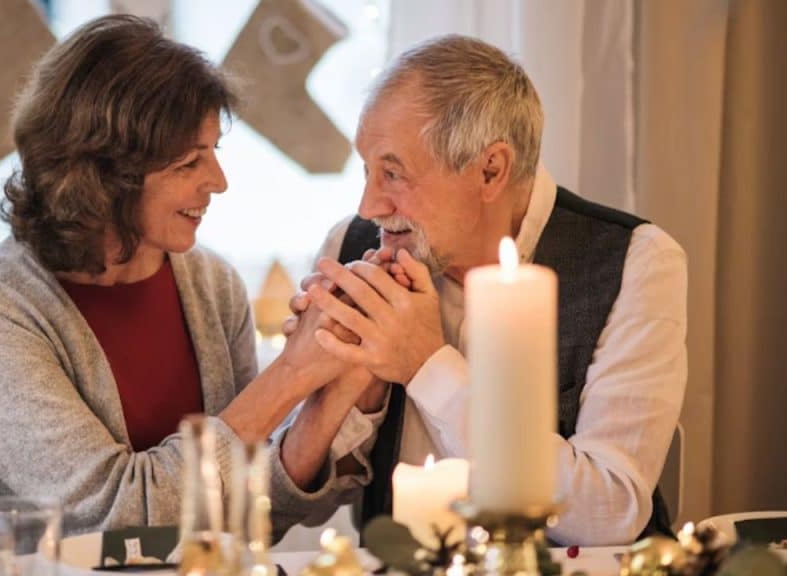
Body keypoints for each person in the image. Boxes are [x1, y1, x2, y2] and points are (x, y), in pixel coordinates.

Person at [0, 15, 376, 537]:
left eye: (215, 151)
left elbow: (251, 509)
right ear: (103, 175)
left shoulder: (212, 285)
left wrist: (343, 374)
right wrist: (291, 375)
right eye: (189, 163)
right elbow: (114, 517)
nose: (218, 181)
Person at [288, 35, 687, 545]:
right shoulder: (354, 245)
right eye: (367, 170)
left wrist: (426, 365)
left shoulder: (637, 262)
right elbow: (310, 510)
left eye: (393, 172)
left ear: (490, 169)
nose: (369, 205)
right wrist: (341, 395)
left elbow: (610, 512)